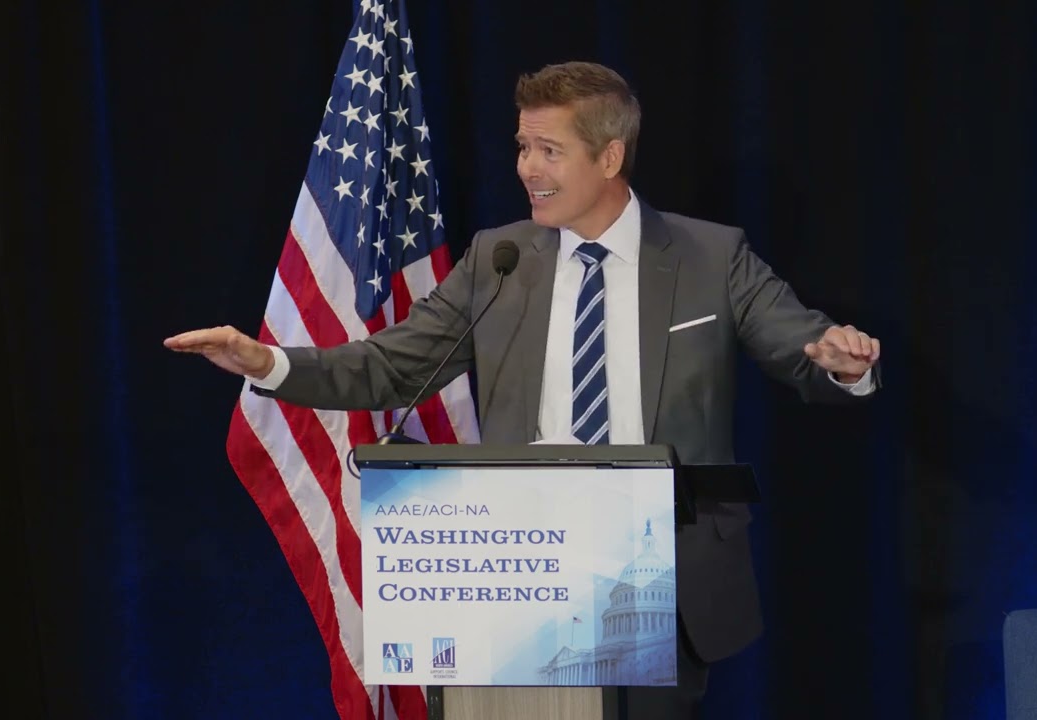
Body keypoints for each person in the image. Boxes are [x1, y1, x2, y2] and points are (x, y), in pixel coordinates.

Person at [165, 61, 880, 719]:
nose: (528, 169)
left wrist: (841, 361)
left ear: (609, 157)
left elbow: (798, 340)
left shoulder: (710, 256)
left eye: (549, 150)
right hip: (519, 570)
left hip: (657, 575)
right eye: (522, 147)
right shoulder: (498, 260)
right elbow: (389, 366)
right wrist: (269, 364)